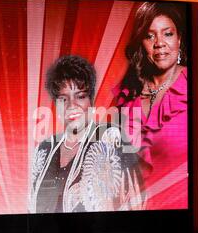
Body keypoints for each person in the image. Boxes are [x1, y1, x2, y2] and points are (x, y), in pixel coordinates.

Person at [29, 55, 143, 213]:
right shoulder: (45, 149)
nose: (72, 105)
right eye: (63, 99)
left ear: (92, 101)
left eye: (80, 97)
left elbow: (135, 203)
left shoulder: (110, 137)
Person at [112, 2, 188, 209]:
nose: (159, 43)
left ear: (179, 38)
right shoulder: (127, 95)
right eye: (150, 35)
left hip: (184, 214)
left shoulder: (196, 85)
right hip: (136, 215)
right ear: (141, 43)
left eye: (168, 34)